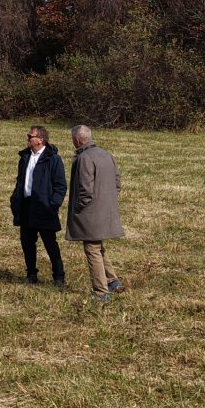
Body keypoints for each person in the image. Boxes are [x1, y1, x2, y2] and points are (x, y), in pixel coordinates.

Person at [66, 125, 126, 304]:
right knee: (98, 247)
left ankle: (101, 292)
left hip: (90, 213)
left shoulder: (84, 158)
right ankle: (113, 281)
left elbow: (85, 190)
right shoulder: (107, 155)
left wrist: (78, 208)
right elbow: (117, 183)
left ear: (78, 140)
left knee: (92, 249)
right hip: (106, 210)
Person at [11, 125, 67, 285]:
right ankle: (31, 274)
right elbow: (20, 181)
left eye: (30, 136)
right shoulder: (25, 157)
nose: (27, 139)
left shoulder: (53, 159)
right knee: (27, 243)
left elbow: (60, 186)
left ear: (40, 139)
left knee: (50, 243)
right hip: (26, 206)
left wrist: (52, 205)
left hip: (44, 207)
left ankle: (59, 276)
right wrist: (15, 199)